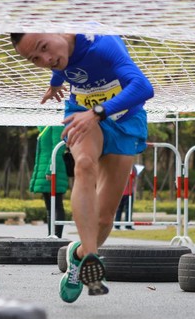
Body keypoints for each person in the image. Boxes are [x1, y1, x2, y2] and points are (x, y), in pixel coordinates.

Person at [11, 31, 154, 303]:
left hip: (125, 120)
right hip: (81, 115)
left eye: (44, 48)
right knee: (84, 164)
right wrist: (55, 82)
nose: (46, 59)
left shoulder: (102, 44)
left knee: (104, 217)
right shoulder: (58, 58)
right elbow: (64, 66)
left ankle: (77, 256)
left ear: (56, 29)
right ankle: (91, 255)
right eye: (34, 59)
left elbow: (143, 87)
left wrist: (98, 112)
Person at [29, 126, 68, 238]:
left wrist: (50, 169)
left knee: (56, 204)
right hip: (44, 169)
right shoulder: (45, 126)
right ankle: (50, 235)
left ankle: (56, 235)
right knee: (49, 206)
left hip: (53, 169)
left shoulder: (56, 125)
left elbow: (58, 148)